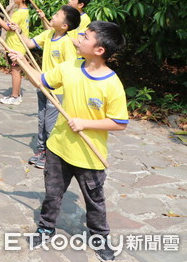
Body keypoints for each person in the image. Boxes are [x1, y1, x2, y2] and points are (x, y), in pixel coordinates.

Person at [10, 21, 128, 261]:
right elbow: (42, 81)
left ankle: (100, 239)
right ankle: (45, 228)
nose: (79, 38)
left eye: (86, 36)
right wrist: (21, 62)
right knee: (52, 193)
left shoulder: (112, 84)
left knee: (94, 202)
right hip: (58, 147)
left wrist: (85, 123)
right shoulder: (70, 66)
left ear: (99, 50)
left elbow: (119, 122)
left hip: (89, 155)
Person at [10, 5, 80, 169]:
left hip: (58, 91)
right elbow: (29, 43)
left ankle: (51, 155)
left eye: (57, 15)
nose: (53, 16)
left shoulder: (67, 43)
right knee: (41, 122)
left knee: (50, 125)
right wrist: (19, 31)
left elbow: (70, 68)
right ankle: (41, 151)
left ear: (64, 26)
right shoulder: (48, 34)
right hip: (42, 85)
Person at [0, 0, 31, 106]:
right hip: (17, 45)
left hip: (15, 47)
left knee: (15, 71)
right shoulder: (24, 11)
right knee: (15, 71)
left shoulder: (20, 13)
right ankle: (16, 94)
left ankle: (15, 96)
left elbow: (8, 27)